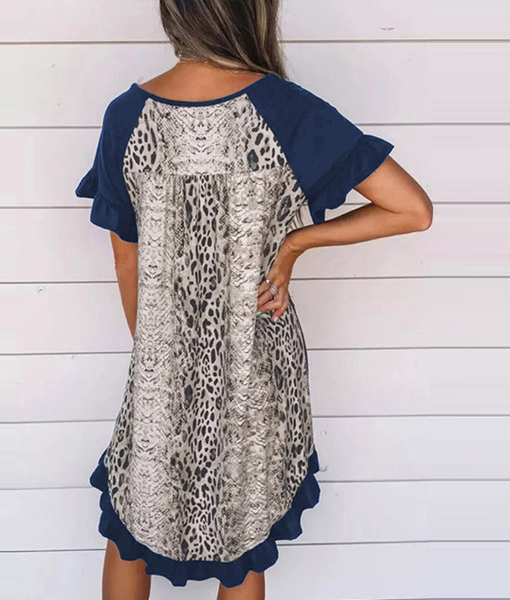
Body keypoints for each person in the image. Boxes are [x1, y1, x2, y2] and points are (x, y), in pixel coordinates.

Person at [75, 1, 433, 598]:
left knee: (129, 525)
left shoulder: (126, 116)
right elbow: (412, 209)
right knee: (244, 538)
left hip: (161, 364)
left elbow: (126, 259)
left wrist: (160, 358)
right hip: (257, 362)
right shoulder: (286, 109)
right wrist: (294, 243)